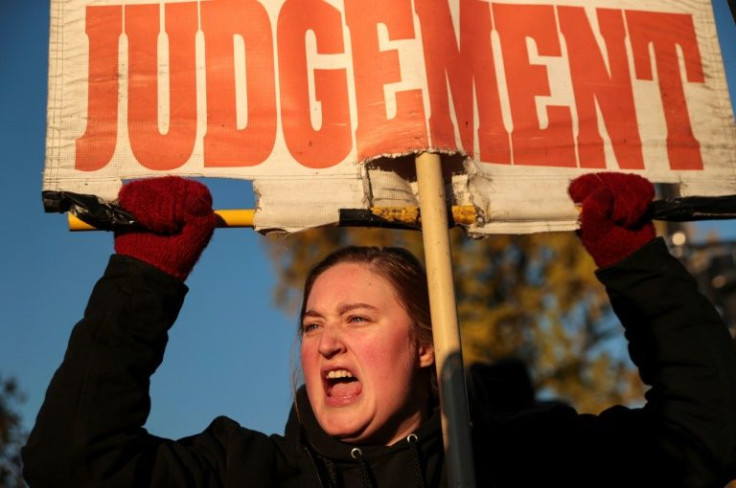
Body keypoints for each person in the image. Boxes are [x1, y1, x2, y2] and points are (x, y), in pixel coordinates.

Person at [22, 173, 736, 487]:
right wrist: (145, 277)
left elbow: (713, 431)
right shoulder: (249, 473)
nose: (325, 341)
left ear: (425, 344)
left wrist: (637, 264)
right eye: (312, 325)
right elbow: (71, 465)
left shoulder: (525, 464)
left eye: (357, 318)